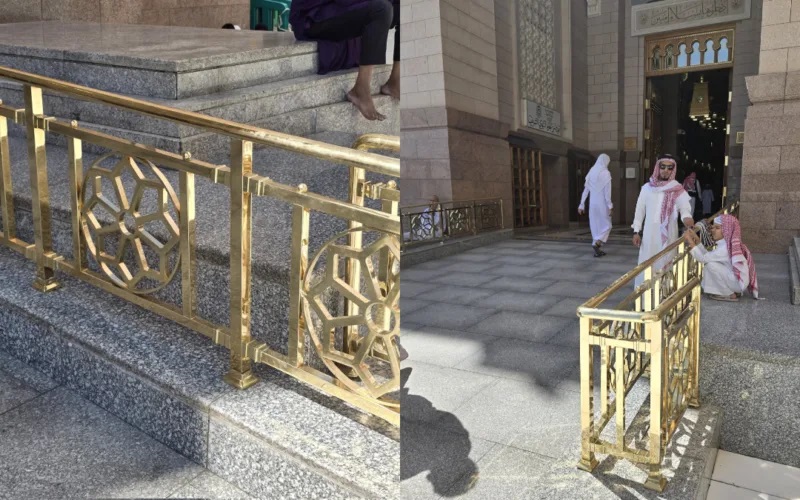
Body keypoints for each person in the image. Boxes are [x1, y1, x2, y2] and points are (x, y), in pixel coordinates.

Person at [289, 0, 400, 121]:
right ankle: (361, 89)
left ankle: (395, 80)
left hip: (342, 6)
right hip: (314, 15)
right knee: (381, 8)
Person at [631, 154, 695, 286]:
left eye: (669, 168)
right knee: (647, 261)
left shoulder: (677, 189)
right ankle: (644, 294)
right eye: (663, 167)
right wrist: (636, 231)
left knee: (666, 260)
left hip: (669, 234)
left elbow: (684, 207)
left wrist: (686, 217)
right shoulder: (647, 188)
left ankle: (664, 294)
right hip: (649, 234)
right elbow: (640, 210)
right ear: (657, 168)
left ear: (673, 170)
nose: (666, 170)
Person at [683, 215, 761, 301]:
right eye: (713, 227)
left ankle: (729, 294)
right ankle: (732, 291)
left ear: (727, 231)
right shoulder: (726, 244)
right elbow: (708, 256)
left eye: (717, 228)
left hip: (738, 283)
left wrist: (689, 240)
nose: (713, 230)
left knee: (711, 265)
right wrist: (696, 239)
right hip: (737, 282)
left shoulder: (725, 248)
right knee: (711, 263)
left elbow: (703, 259)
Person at [578, 153, 613, 257]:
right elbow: (607, 193)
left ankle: (597, 249)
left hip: (592, 204)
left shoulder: (592, 171)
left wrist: (581, 205)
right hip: (602, 204)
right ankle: (597, 243)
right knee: (607, 225)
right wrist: (610, 206)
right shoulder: (606, 173)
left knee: (595, 226)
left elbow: (586, 190)